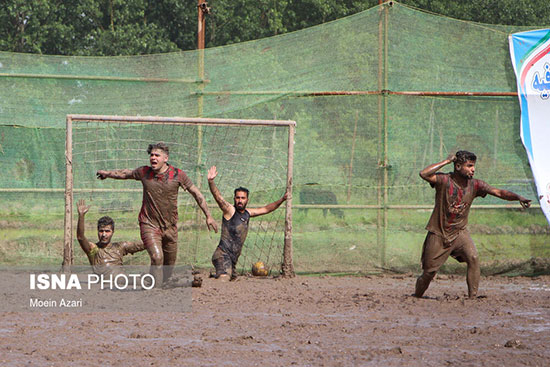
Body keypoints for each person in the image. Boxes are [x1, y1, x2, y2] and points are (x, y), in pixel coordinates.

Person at [96, 142, 218, 286]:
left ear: (165, 158)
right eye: (151, 155)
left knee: (167, 268)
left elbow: (197, 194)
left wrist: (208, 216)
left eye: (157, 155)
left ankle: (156, 282)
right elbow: (125, 173)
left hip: (170, 228)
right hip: (149, 224)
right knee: (156, 257)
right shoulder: (144, 172)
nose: (153, 158)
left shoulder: (178, 175)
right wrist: (107, 174)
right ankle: (155, 293)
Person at [415, 150, 531, 299]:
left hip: (459, 232)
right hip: (439, 233)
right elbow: (424, 174)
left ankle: (473, 297)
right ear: (457, 166)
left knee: (473, 257)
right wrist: (446, 161)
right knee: (429, 273)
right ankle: (417, 296)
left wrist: (518, 197)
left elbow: (498, 192)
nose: (473, 169)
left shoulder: (475, 185)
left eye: (473, 166)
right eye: (469, 166)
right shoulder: (444, 180)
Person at [207, 165, 288, 281]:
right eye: (238, 198)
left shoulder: (248, 213)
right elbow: (219, 198)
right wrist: (211, 182)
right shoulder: (230, 210)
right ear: (234, 198)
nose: (240, 200)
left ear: (247, 200)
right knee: (224, 279)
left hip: (232, 259)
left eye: (243, 198)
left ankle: (215, 276)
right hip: (222, 255)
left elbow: (266, 209)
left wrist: (283, 199)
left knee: (233, 278)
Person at [76, 199, 145, 275]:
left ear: (113, 232)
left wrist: (157, 238)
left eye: (107, 231)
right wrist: (81, 215)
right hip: (103, 284)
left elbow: (142, 245)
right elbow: (80, 237)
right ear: (97, 231)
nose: (104, 234)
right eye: (101, 231)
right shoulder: (94, 250)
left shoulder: (120, 247)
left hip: (122, 282)